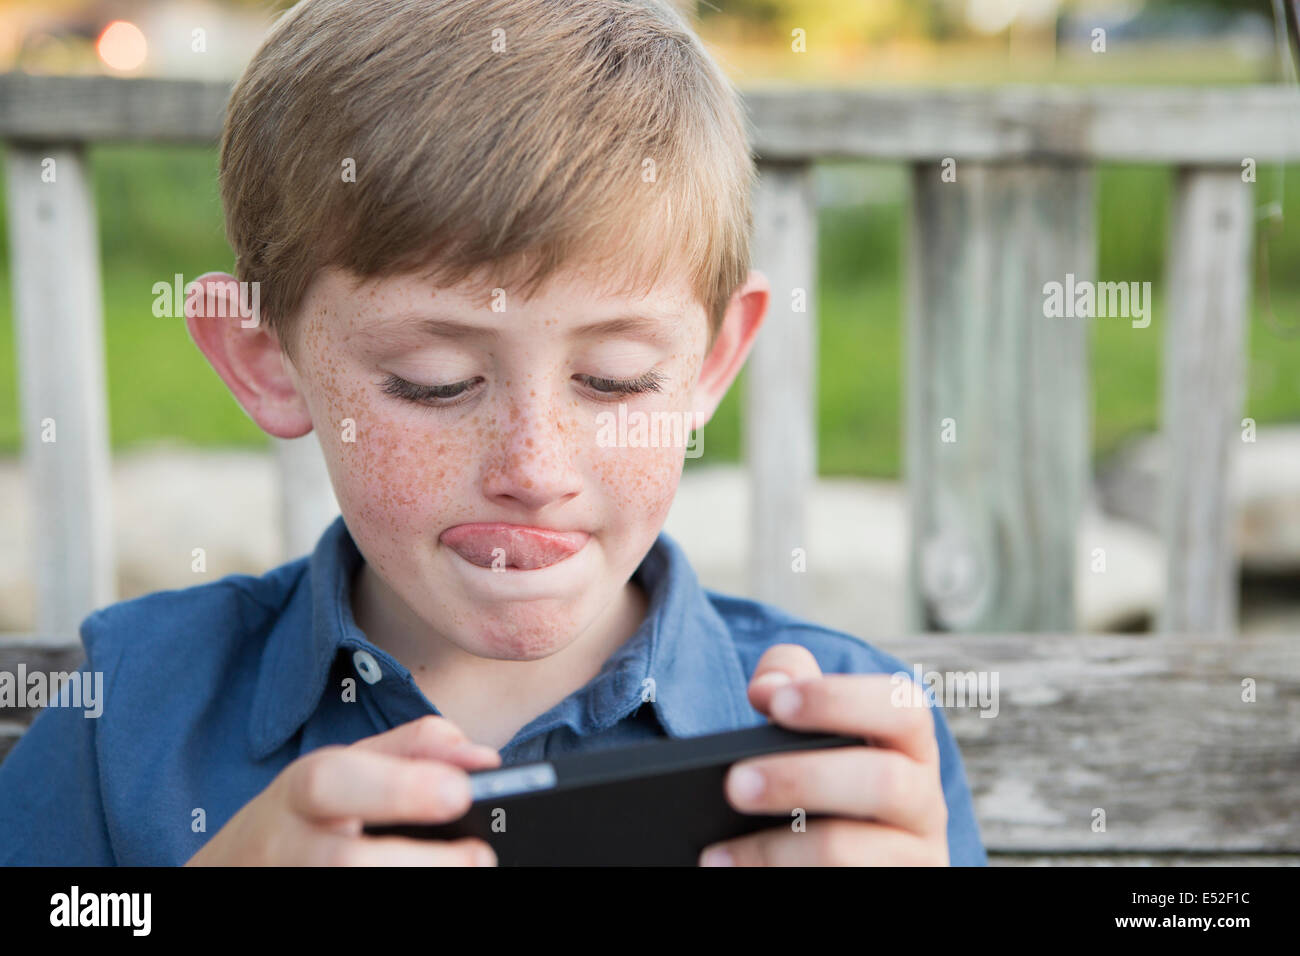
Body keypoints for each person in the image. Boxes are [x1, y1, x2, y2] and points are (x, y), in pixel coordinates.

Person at [0, 0, 987, 866]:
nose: (534, 468)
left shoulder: (849, 737)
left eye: (614, 379)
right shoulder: (131, 710)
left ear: (710, 365)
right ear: (265, 360)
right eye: (435, 383)